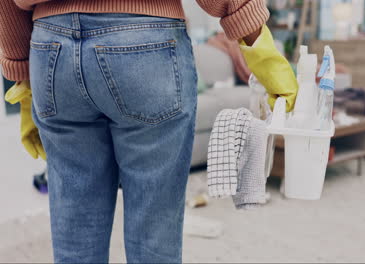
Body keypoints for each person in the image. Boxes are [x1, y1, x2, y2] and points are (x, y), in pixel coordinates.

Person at [0, 1, 297, 263]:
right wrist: (261, 48)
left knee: (74, 235)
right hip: (144, 38)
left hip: (51, 48)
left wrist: (21, 77)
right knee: (153, 235)